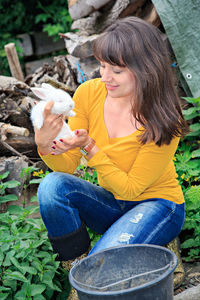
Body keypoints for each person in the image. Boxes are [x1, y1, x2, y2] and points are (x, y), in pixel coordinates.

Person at [35, 16, 189, 296]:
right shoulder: (90, 93)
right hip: (113, 203)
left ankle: (155, 246)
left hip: (159, 205)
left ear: (146, 69)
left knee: (104, 263)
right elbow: (67, 167)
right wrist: (47, 144)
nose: (105, 77)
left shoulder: (166, 120)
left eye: (116, 70)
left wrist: (91, 148)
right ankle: (79, 275)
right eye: (103, 66)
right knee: (52, 187)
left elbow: (131, 188)